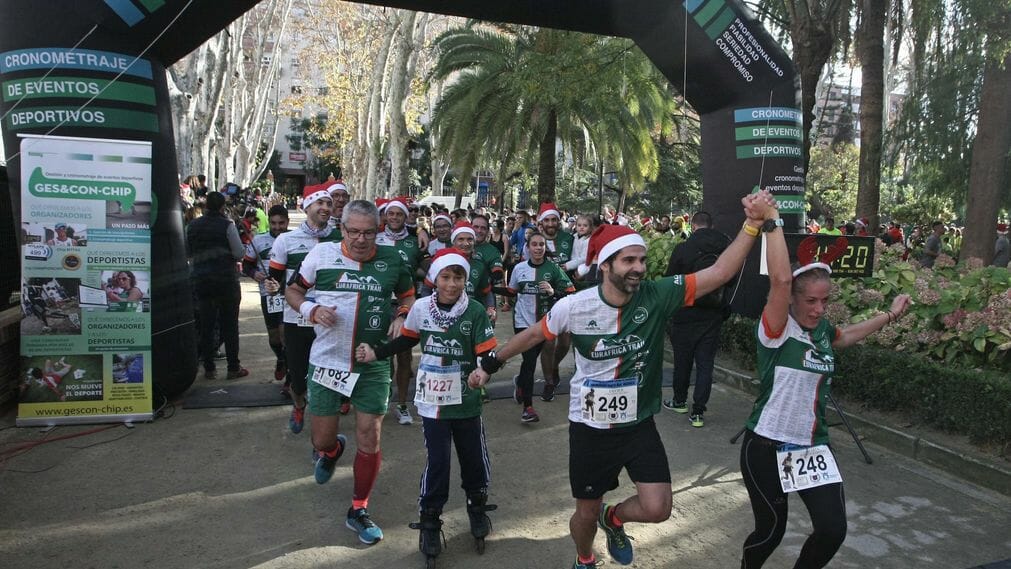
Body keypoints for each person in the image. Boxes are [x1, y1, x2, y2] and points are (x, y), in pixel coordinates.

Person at [470, 191, 779, 569]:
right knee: (584, 513)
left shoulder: (657, 295)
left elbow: (720, 273)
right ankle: (585, 558)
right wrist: (490, 363)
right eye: (629, 260)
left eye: (643, 260)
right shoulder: (576, 306)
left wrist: (753, 224)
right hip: (591, 428)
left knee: (658, 508)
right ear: (605, 264)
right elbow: (534, 335)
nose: (639, 268)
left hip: (637, 424)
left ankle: (613, 519)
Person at [739, 221, 911, 569]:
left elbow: (845, 336)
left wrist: (891, 314)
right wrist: (771, 221)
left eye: (825, 301)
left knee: (833, 530)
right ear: (791, 299)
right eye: (811, 301)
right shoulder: (776, 328)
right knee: (771, 530)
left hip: (813, 446)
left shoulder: (822, 332)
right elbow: (781, 280)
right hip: (766, 446)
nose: (819, 309)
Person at [355, 248, 497, 564]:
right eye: (445, 277)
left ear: (465, 280)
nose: (451, 284)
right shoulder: (421, 308)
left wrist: (482, 370)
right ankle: (431, 518)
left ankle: (477, 504)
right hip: (433, 401)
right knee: (439, 461)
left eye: (458, 277)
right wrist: (377, 353)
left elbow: (488, 352)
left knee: (474, 457)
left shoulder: (473, 311)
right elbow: (406, 340)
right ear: (434, 279)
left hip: (466, 399)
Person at [285, 199, 415, 546]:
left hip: (372, 363)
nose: (360, 239)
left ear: (379, 231)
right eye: (353, 231)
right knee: (321, 439)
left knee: (370, 436)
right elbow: (293, 290)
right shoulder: (320, 255)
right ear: (341, 229)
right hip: (327, 361)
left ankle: (358, 509)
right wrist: (311, 309)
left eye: (368, 232)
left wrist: (402, 314)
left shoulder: (391, 259)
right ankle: (330, 452)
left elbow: (408, 294)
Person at [268, 184, 341, 432]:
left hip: (332, 316)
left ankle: (324, 425)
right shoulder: (286, 240)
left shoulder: (340, 237)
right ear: (306, 206)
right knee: (298, 375)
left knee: (330, 373)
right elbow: (275, 278)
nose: (325, 208)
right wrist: (271, 285)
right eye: (320, 203)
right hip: (297, 316)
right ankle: (298, 404)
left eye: (329, 204)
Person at [493, 231, 574, 422]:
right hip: (522, 321)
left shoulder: (553, 269)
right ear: (527, 248)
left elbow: (570, 291)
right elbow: (512, 292)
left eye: (541, 245)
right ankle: (528, 408)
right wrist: (490, 289)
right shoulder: (519, 268)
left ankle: (520, 382)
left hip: (544, 323)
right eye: (534, 245)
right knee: (529, 362)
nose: (538, 248)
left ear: (545, 248)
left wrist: (554, 292)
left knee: (530, 361)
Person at [662, 211, 731, 428]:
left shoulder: (684, 248)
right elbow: (731, 279)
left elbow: (670, 279)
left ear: (692, 225)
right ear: (711, 225)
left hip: (685, 311)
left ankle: (680, 401)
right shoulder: (725, 248)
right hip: (713, 314)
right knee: (705, 364)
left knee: (683, 361)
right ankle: (698, 413)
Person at [378, 197, 430, 426]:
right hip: (378, 303)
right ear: (386, 216)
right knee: (382, 355)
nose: (395, 218)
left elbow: (426, 268)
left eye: (399, 214)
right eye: (391, 214)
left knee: (404, 355)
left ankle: (402, 404)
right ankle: (382, 398)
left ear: (405, 216)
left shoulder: (413, 241)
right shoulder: (375, 238)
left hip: (406, 303)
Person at [186, 191, 248, 380]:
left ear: (205, 207)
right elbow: (239, 253)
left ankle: (209, 368)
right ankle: (233, 367)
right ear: (222, 207)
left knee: (206, 324)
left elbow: (188, 252)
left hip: (202, 280)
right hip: (226, 280)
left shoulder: (192, 226)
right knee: (230, 324)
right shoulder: (227, 226)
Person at [242, 205, 290, 383]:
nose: (277, 227)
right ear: (268, 222)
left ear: (288, 222)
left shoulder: (293, 239)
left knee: (286, 333)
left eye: (281, 223)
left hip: (290, 294)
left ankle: (290, 378)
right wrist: (255, 274)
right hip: (268, 295)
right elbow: (247, 265)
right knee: (274, 336)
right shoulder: (259, 240)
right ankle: (281, 359)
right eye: (273, 223)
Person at [536, 203, 576, 401]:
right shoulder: (536, 240)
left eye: (554, 219)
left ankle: (554, 365)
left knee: (565, 343)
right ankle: (549, 382)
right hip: (544, 297)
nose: (551, 223)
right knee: (548, 343)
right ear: (541, 222)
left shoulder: (569, 238)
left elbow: (579, 260)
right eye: (547, 220)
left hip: (566, 295)